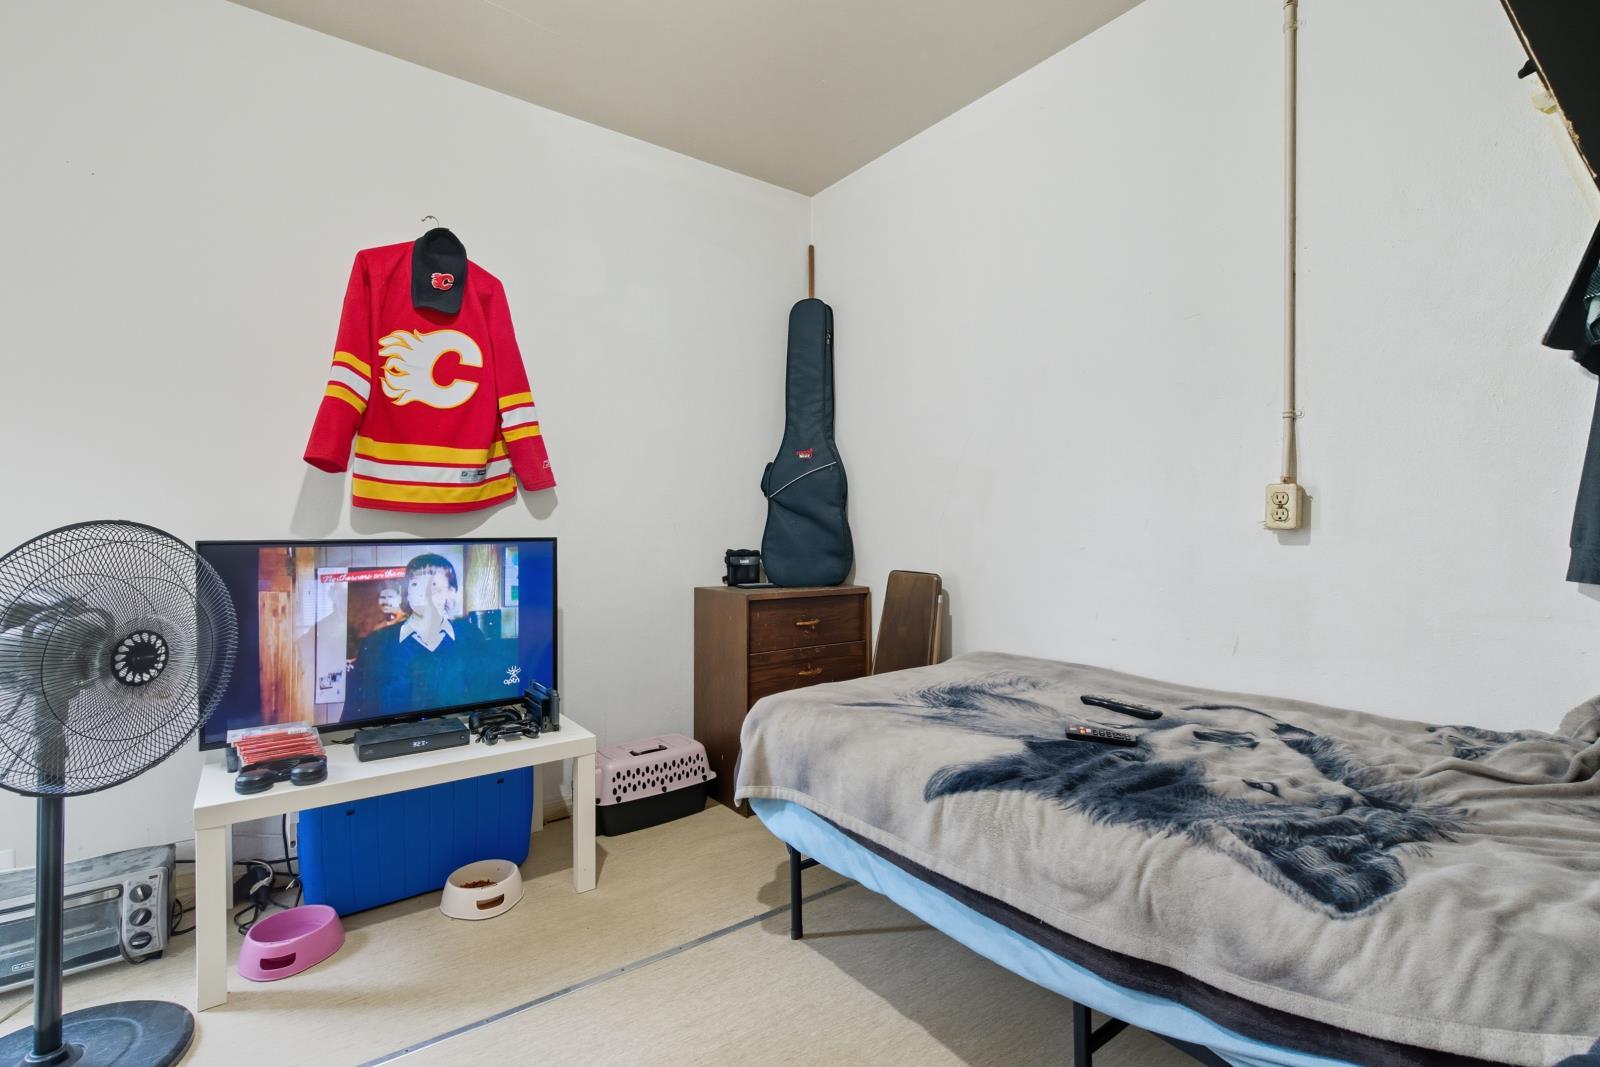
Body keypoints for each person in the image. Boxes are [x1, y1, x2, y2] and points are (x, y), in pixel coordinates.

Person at [345, 553, 507, 720]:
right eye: (417, 586)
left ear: (451, 592)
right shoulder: (377, 644)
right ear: (407, 592)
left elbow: (489, 703)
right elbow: (355, 712)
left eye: (434, 587)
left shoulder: (471, 638)